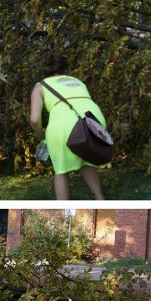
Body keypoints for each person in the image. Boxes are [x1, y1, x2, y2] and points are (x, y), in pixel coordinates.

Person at [28, 52, 106, 200]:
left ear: (45, 69)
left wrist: (41, 135)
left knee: (61, 170)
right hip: (93, 121)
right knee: (86, 160)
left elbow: (35, 119)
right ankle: (100, 198)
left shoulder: (40, 86)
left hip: (63, 127)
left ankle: (63, 207)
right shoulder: (78, 82)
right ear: (64, 68)